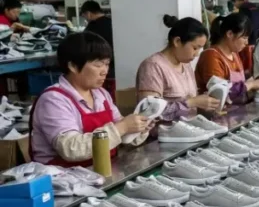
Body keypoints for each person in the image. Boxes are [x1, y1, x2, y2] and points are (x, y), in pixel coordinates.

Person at [30, 32, 151, 166]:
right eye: (98, 65)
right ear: (73, 66)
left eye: (107, 64)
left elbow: (122, 136)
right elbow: (71, 148)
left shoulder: (101, 94)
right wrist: (122, 127)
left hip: (101, 170)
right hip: (63, 179)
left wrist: (139, 127)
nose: (104, 71)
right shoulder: (53, 100)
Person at [137, 16, 222, 119]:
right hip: (164, 132)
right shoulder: (153, 66)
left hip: (191, 128)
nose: (196, 54)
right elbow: (150, 112)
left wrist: (207, 103)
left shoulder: (186, 65)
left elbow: (193, 104)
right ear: (177, 41)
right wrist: (192, 102)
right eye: (195, 48)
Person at [195, 13, 259, 104]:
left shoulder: (234, 54)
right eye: (244, 38)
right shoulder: (211, 56)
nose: (247, 42)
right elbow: (219, 93)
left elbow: (243, 81)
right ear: (230, 34)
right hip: (216, 113)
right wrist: (252, 84)